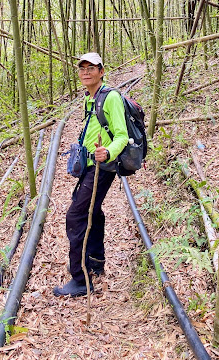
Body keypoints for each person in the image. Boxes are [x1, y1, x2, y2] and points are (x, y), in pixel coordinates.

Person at [53, 52, 129, 297]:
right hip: (91, 164)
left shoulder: (111, 97)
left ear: (101, 71)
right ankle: (94, 261)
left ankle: (80, 278)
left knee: (76, 216)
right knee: (93, 211)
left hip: (102, 166)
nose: (85, 72)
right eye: (82, 68)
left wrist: (107, 152)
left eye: (91, 67)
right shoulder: (91, 98)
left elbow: (122, 135)